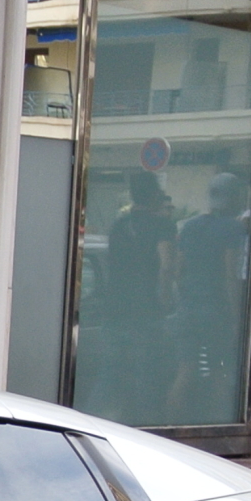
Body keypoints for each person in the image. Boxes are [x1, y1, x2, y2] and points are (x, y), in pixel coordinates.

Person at [171, 170, 251, 423]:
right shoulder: (232, 228)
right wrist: (236, 313)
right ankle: (220, 424)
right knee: (219, 371)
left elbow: (177, 269)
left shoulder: (191, 225)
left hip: (188, 308)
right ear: (234, 197)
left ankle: (171, 423)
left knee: (186, 371)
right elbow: (230, 273)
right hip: (216, 310)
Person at [98, 170, 176, 420]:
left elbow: (112, 263)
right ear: (154, 195)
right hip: (145, 309)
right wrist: (165, 302)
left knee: (111, 372)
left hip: (115, 306)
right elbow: (166, 266)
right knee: (147, 373)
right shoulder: (162, 225)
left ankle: (91, 418)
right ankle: (144, 427)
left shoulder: (118, 225)